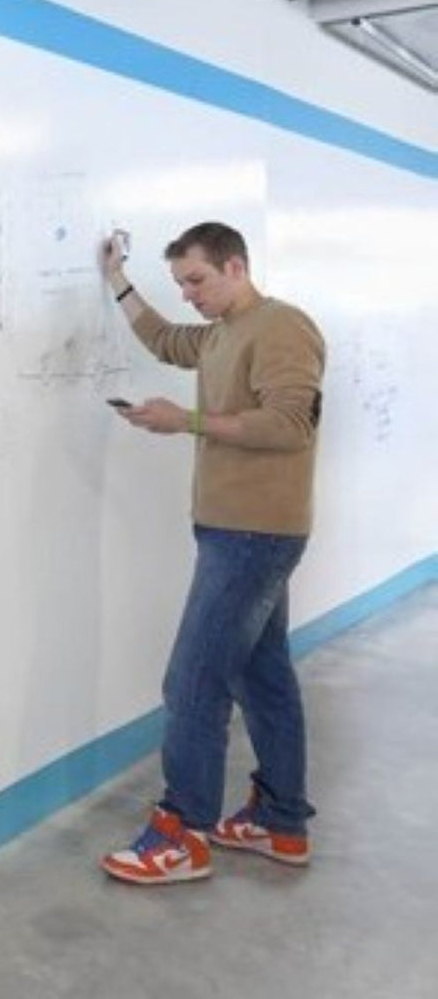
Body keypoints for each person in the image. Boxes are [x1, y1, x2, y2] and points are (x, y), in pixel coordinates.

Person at [98, 222, 324, 885]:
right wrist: (118, 281)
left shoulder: (282, 327)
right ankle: (281, 823)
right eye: (180, 284)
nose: (189, 295)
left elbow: (290, 424)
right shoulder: (221, 331)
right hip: (235, 530)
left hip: (255, 535)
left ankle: (184, 833)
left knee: (193, 680)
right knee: (264, 677)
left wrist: (187, 421)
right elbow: (167, 340)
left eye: (196, 280)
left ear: (235, 266)